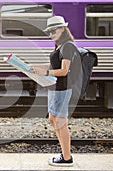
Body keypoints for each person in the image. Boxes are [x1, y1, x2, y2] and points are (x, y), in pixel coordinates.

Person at [30, 15, 81, 167]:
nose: (51, 34)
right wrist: (36, 67)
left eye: (54, 30)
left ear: (62, 29)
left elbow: (64, 71)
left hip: (62, 89)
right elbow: (54, 65)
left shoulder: (68, 46)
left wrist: (44, 73)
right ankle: (64, 154)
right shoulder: (59, 46)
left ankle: (66, 158)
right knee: (53, 120)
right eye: (49, 31)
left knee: (61, 123)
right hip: (55, 87)